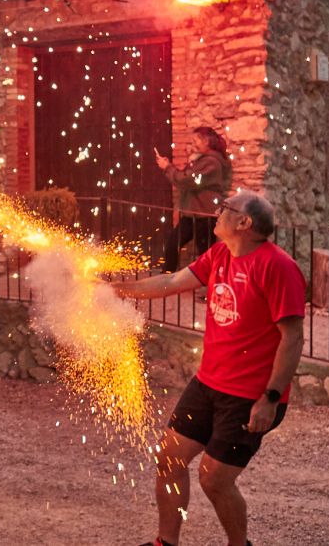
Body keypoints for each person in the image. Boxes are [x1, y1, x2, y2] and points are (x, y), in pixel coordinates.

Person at [111, 192, 305, 546]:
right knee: (169, 458)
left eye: (225, 209)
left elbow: (292, 339)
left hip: (249, 396)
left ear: (245, 223)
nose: (216, 213)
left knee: (214, 479)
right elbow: (171, 282)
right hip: (208, 384)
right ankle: (166, 543)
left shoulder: (277, 267)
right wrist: (117, 291)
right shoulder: (219, 254)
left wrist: (271, 398)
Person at [155, 126, 233, 272]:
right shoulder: (202, 161)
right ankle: (167, 278)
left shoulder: (211, 162)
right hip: (192, 214)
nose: (193, 143)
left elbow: (187, 180)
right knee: (173, 243)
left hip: (204, 215)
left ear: (207, 141)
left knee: (206, 253)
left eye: (196, 140)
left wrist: (167, 167)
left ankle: (211, 285)